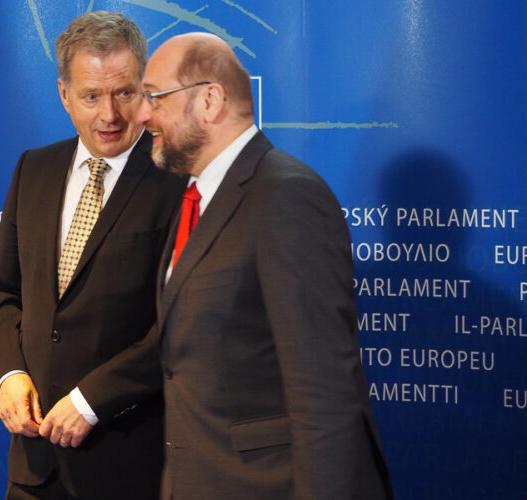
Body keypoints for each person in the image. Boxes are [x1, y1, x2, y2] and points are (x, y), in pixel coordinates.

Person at [133, 32, 394, 499]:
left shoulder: (286, 197)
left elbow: (325, 394)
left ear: (210, 100)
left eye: (155, 96)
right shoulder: (194, 199)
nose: (142, 114)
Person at [0, 12, 185, 499]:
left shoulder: (180, 183)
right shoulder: (34, 169)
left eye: (124, 93)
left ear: (145, 91)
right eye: (91, 96)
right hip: (34, 467)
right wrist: (9, 375)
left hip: (131, 467)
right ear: (63, 95)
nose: (109, 115)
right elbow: (1, 290)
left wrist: (94, 400)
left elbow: (185, 325)